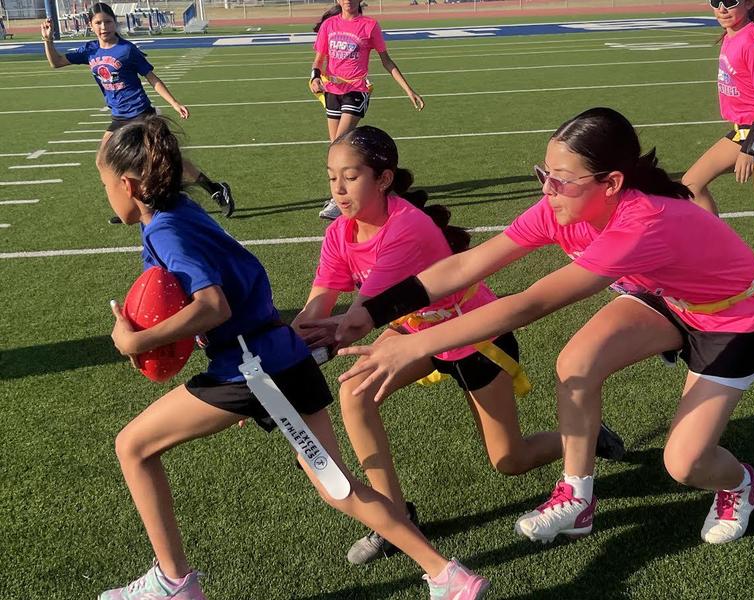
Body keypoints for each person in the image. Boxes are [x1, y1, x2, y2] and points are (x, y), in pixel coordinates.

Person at [333, 107, 754, 546]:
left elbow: (529, 304)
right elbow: (466, 265)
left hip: (734, 320)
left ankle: (742, 484)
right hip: (667, 299)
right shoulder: (559, 207)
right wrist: (371, 312)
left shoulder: (641, 224)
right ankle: (576, 498)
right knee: (576, 363)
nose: (548, 190)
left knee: (685, 465)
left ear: (611, 183)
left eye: (562, 179)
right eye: (544, 174)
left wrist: (413, 346)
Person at [97, 115, 488, 600]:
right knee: (337, 486)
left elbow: (213, 305)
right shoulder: (183, 212)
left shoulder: (166, 230)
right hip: (274, 359)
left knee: (132, 446)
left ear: (129, 185)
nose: (106, 195)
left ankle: (173, 582)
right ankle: (448, 575)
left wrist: (137, 342)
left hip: (252, 368)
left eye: (105, 185)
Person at [293, 125, 624, 565]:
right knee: (355, 391)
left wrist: (285, 368)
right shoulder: (340, 233)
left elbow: (358, 317)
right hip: (415, 331)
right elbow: (316, 309)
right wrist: (278, 354)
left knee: (509, 460)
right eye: (332, 177)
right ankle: (395, 520)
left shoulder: (405, 228)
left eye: (350, 177)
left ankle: (585, 438)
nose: (338, 188)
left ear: (384, 179)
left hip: (474, 335)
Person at [40, 3, 234, 223]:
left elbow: (152, 78)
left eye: (108, 22)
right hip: (119, 117)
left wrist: (174, 103)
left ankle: (215, 189)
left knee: (169, 159)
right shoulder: (90, 50)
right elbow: (56, 62)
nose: (104, 27)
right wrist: (48, 40)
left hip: (141, 114)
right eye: (98, 23)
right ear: (90, 25)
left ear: (115, 23)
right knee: (103, 161)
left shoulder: (127, 50)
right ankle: (127, 206)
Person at [682, 0, 754, 288]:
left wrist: (750, 148)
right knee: (692, 183)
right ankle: (720, 257)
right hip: (744, 129)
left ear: (748, 3)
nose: (722, 8)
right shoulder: (734, 33)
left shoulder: (750, 40)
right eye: (715, 2)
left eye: (730, 1)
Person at [310, 0, 424, 220]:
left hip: (356, 91)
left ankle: (339, 199)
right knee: (335, 149)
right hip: (332, 91)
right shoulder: (329, 25)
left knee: (339, 145)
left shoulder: (370, 25)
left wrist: (409, 90)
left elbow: (386, 61)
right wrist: (315, 77)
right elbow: (318, 60)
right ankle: (376, 186)